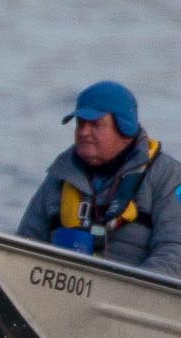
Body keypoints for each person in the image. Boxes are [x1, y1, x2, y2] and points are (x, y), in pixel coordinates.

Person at [16, 80, 181, 277]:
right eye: (80, 124)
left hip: (138, 296)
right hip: (59, 290)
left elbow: (175, 251)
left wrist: (131, 291)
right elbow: (24, 247)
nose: (84, 132)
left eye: (95, 124)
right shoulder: (59, 177)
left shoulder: (168, 176)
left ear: (124, 128)